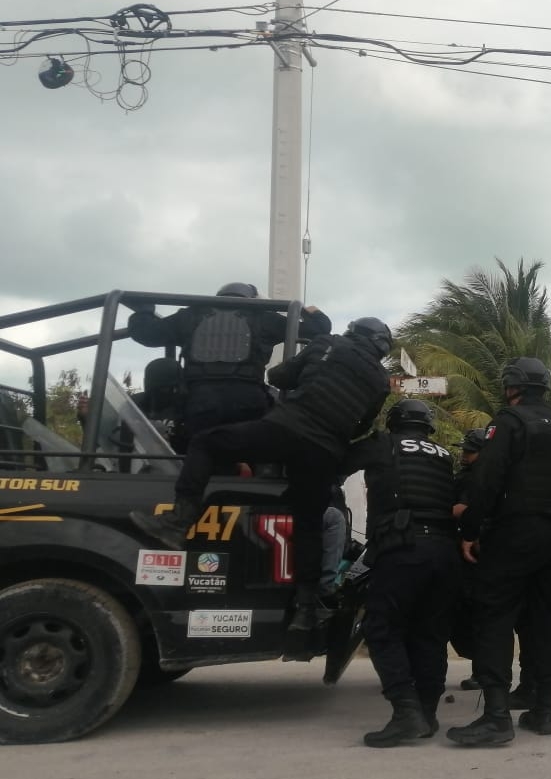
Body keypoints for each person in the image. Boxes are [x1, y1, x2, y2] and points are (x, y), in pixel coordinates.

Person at [128, 317, 392, 659]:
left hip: (285, 429)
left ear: (355, 332)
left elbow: (277, 377)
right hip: (324, 452)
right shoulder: (381, 382)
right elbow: (362, 424)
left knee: (208, 444)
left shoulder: (328, 344)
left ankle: (180, 520)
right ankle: (306, 609)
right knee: (309, 526)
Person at [446, 358, 551, 748]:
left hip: (516, 532)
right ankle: (544, 710)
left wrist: (470, 531)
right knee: (544, 619)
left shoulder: (507, 422)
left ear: (511, 386)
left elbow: (487, 480)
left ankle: (496, 716)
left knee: (495, 617)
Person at [341, 399, 459, 747]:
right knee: (430, 634)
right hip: (444, 552)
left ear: (394, 422)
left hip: (403, 549)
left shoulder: (383, 444)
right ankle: (427, 712)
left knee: (380, 628)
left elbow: (341, 461)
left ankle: (406, 712)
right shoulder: (442, 454)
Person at [127, 282, 332, 440]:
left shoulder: (190, 315)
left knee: (199, 448)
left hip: (199, 402)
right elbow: (319, 329)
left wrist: (144, 310)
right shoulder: (266, 318)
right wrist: (310, 311)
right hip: (249, 402)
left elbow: (147, 333)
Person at [452, 428, 487, 690]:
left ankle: (483, 671)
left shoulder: (479, 477)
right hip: (468, 550)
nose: (464, 454)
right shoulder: (471, 474)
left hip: (475, 552)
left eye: (470, 450)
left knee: (476, 614)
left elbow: (463, 509)